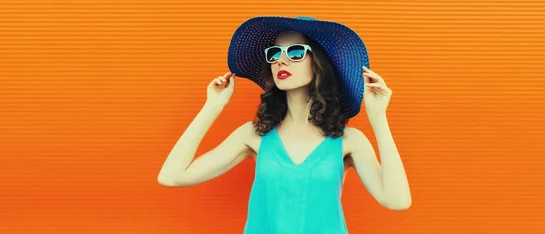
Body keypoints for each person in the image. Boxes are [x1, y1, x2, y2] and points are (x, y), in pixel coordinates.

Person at [158, 16, 411, 233]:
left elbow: (397, 201)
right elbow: (172, 176)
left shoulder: (349, 141)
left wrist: (378, 117)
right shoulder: (253, 136)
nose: (281, 60)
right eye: (275, 53)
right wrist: (212, 106)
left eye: (296, 52)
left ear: (319, 63)